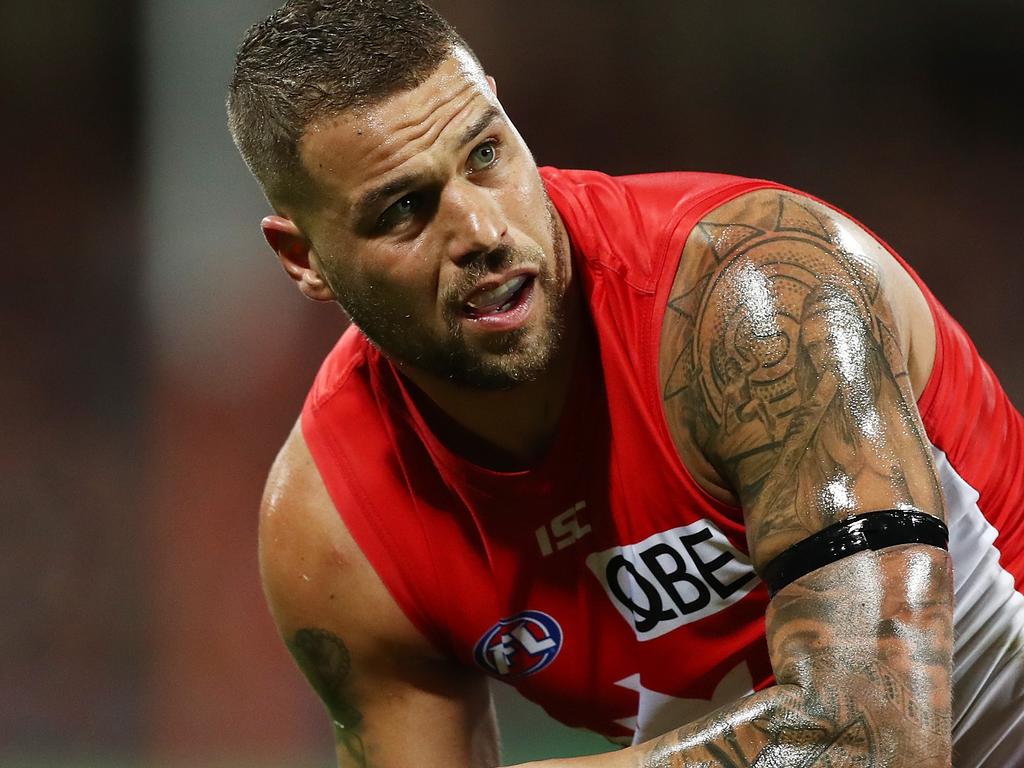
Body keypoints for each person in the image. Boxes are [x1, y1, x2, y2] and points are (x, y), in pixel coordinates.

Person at [226, 2, 1024, 766]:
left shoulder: (751, 299)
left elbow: (878, 743)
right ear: (304, 259)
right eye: (404, 208)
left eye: (485, 155)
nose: (483, 230)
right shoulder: (337, 527)